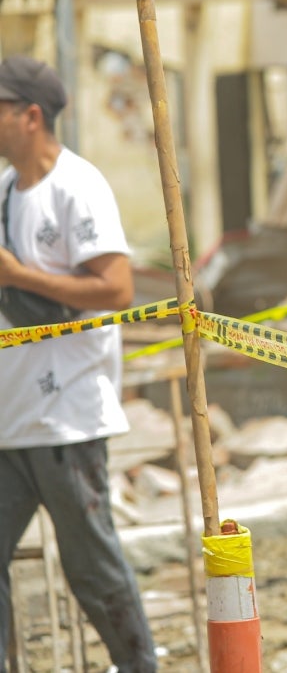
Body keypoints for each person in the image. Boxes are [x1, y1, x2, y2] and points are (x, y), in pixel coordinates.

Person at [0, 56, 157, 672]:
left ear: (30, 116)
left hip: (67, 415)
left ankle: (139, 665)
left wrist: (20, 276)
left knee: (91, 565)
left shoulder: (77, 186)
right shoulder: (4, 191)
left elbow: (116, 289)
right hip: (12, 418)